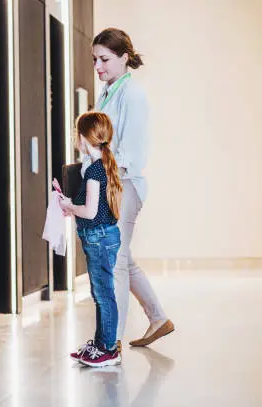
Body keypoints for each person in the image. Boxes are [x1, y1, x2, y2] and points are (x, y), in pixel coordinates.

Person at [91, 28, 174, 347]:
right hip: (110, 184)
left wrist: (103, 171)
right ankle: (158, 318)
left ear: (125, 57)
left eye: (105, 59)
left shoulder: (132, 94)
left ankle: (110, 342)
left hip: (123, 185)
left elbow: (133, 154)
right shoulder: (108, 91)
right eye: (95, 59)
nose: (98, 66)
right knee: (123, 258)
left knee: (114, 262)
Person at [59, 112, 123, 367]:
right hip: (101, 237)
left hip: (99, 238)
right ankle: (101, 344)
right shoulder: (99, 165)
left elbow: (90, 211)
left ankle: (108, 349)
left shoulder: (95, 170)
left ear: (83, 138)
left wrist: (69, 205)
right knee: (101, 293)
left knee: (103, 294)